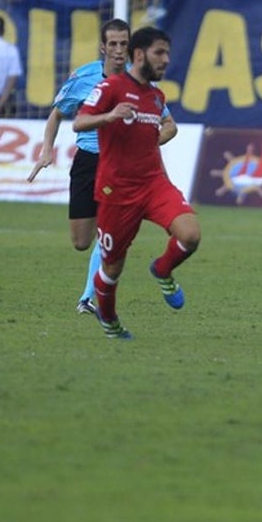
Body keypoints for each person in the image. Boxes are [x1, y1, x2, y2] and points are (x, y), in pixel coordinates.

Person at [72, 27, 199, 340]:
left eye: (167, 53)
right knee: (111, 270)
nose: (166, 60)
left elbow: (159, 131)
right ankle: (109, 319)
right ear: (140, 54)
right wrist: (110, 116)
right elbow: (79, 122)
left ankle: (162, 269)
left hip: (153, 184)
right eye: (159, 53)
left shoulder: (157, 97)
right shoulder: (111, 87)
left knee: (191, 235)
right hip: (117, 190)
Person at [30, 19, 132, 314]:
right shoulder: (83, 77)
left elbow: (166, 124)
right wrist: (46, 150)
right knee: (81, 241)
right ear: (103, 47)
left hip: (119, 164)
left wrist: (147, 142)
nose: (117, 50)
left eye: (123, 44)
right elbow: (57, 114)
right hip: (87, 161)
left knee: (110, 232)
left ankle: (88, 297)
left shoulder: (139, 82)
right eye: (112, 44)